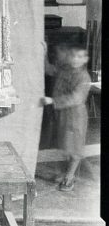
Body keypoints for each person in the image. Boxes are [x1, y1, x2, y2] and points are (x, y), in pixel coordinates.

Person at [43, 44, 91, 191]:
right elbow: (49, 69)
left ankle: (70, 177)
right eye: (73, 56)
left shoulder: (84, 77)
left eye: (80, 57)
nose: (75, 59)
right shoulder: (65, 70)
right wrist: (44, 53)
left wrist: (53, 101)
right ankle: (65, 173)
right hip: (62, 114)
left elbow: (76, 98)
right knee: (64, 144)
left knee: (75, 147)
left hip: (75, 115)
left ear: (85, 60)